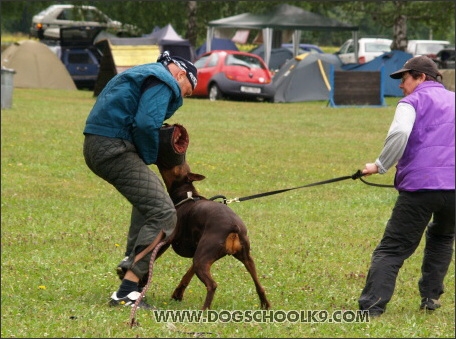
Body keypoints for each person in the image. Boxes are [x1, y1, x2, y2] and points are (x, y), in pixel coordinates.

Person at [83, 51, 197, 308]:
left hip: (100, 144)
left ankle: (129, 263)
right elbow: (146, 124)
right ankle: (126, 291)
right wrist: (150, 156)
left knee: (148, 201)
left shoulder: (145, 72)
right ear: (180, 75)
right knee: (164, 212)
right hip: (113, 147)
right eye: (187, 91)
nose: (183, 98)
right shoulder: (164, 80)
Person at [358, 55, 455, 316]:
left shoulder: (411, 102)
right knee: (443, 238)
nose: (401, 85)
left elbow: (400, 133)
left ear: (421, 77)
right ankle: (431, 298)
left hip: (421, 188)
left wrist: (380, 165)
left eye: (404, 78)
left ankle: (372, 308)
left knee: (391, 249)